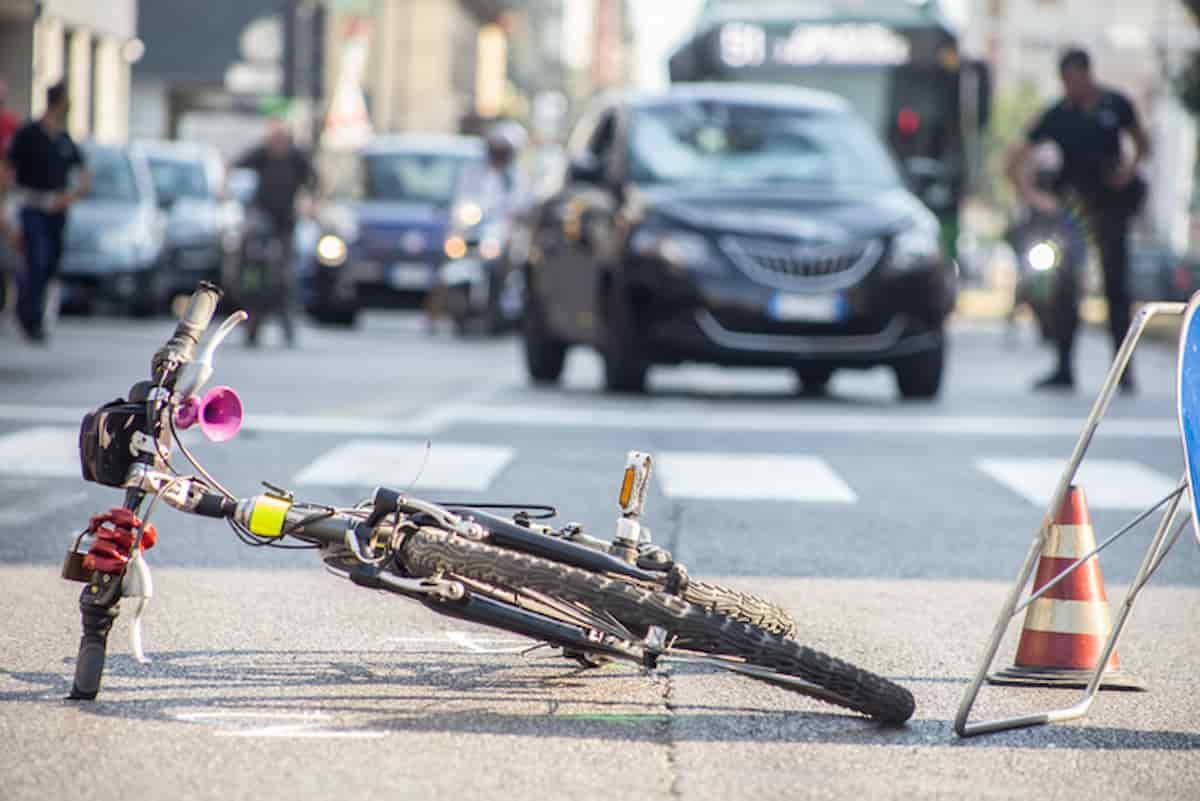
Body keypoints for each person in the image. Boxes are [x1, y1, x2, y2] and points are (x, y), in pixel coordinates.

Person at [1006, 47, 1150, 393]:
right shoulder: (1058, 115)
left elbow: (1141, 142)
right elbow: (1014, 159)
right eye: (1067, 81)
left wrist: (1128, 171)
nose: (1073, 87)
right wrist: (1036, 198)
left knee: (1117, 290)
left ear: (1088, 73)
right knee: (1065, 289)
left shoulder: (1115, 105)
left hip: (1111, 208)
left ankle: (1123, 371)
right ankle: (1064, 367)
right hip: (1071, 213)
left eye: (1077, 79)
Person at [3, 82, 92, 343]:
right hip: (32, 206)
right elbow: (8, 169)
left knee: (50, 263)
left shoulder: (64, 140)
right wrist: (7, 204)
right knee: (36, 259)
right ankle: (28, 316)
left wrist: (70, 197)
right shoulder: (28, 134)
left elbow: (85, 177)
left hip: (57, 210)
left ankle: (36, 315)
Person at [232, 118, 317, 346]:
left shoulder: (297, 158)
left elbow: (315, 182)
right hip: (262, 221)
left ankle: (288, 327)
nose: (277, 145)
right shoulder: (260, 155)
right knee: (253, 272)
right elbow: (234, 167)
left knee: (286, 276)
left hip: (286, 223)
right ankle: (252, 325)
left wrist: (311, 203)